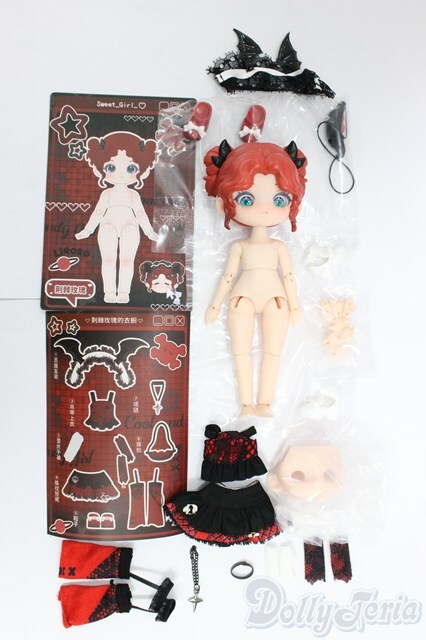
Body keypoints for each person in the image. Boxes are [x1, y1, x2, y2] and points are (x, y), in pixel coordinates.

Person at [204, 140, 307, 416]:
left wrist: (295, 306)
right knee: (241, 352)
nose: (264, 208)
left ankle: (265, 403)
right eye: (246, 199)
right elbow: (227, 276)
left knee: (273, 353)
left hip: (275, 300)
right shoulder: (240, 247)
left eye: (279, 200)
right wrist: (214, 304)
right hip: (244, 298)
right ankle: (246, 404)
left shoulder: (278, 247)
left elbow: (289, 276)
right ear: (223, 202)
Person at [76, 131, 159, 303]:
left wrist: (149, 231)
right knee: (108, 260)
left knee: (127, 261)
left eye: (130, 168)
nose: (121, 174)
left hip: (130, 226)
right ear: (102, 168)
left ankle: (123, 293)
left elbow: (140, 213)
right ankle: (109, 292)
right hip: (108, 225)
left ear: (140, 170)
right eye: (111, 167)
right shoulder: (107, 193)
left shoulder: (133, 194)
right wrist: (88, 230)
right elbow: (98, 212)